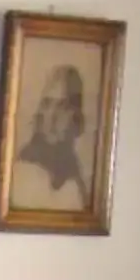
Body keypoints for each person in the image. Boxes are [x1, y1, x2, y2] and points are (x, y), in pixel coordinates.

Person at [15, 62, 91, 205]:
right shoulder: (25, 168)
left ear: (75, 115)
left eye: (63, 106)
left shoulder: (74, 176)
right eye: (47, 104)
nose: (52, 115)